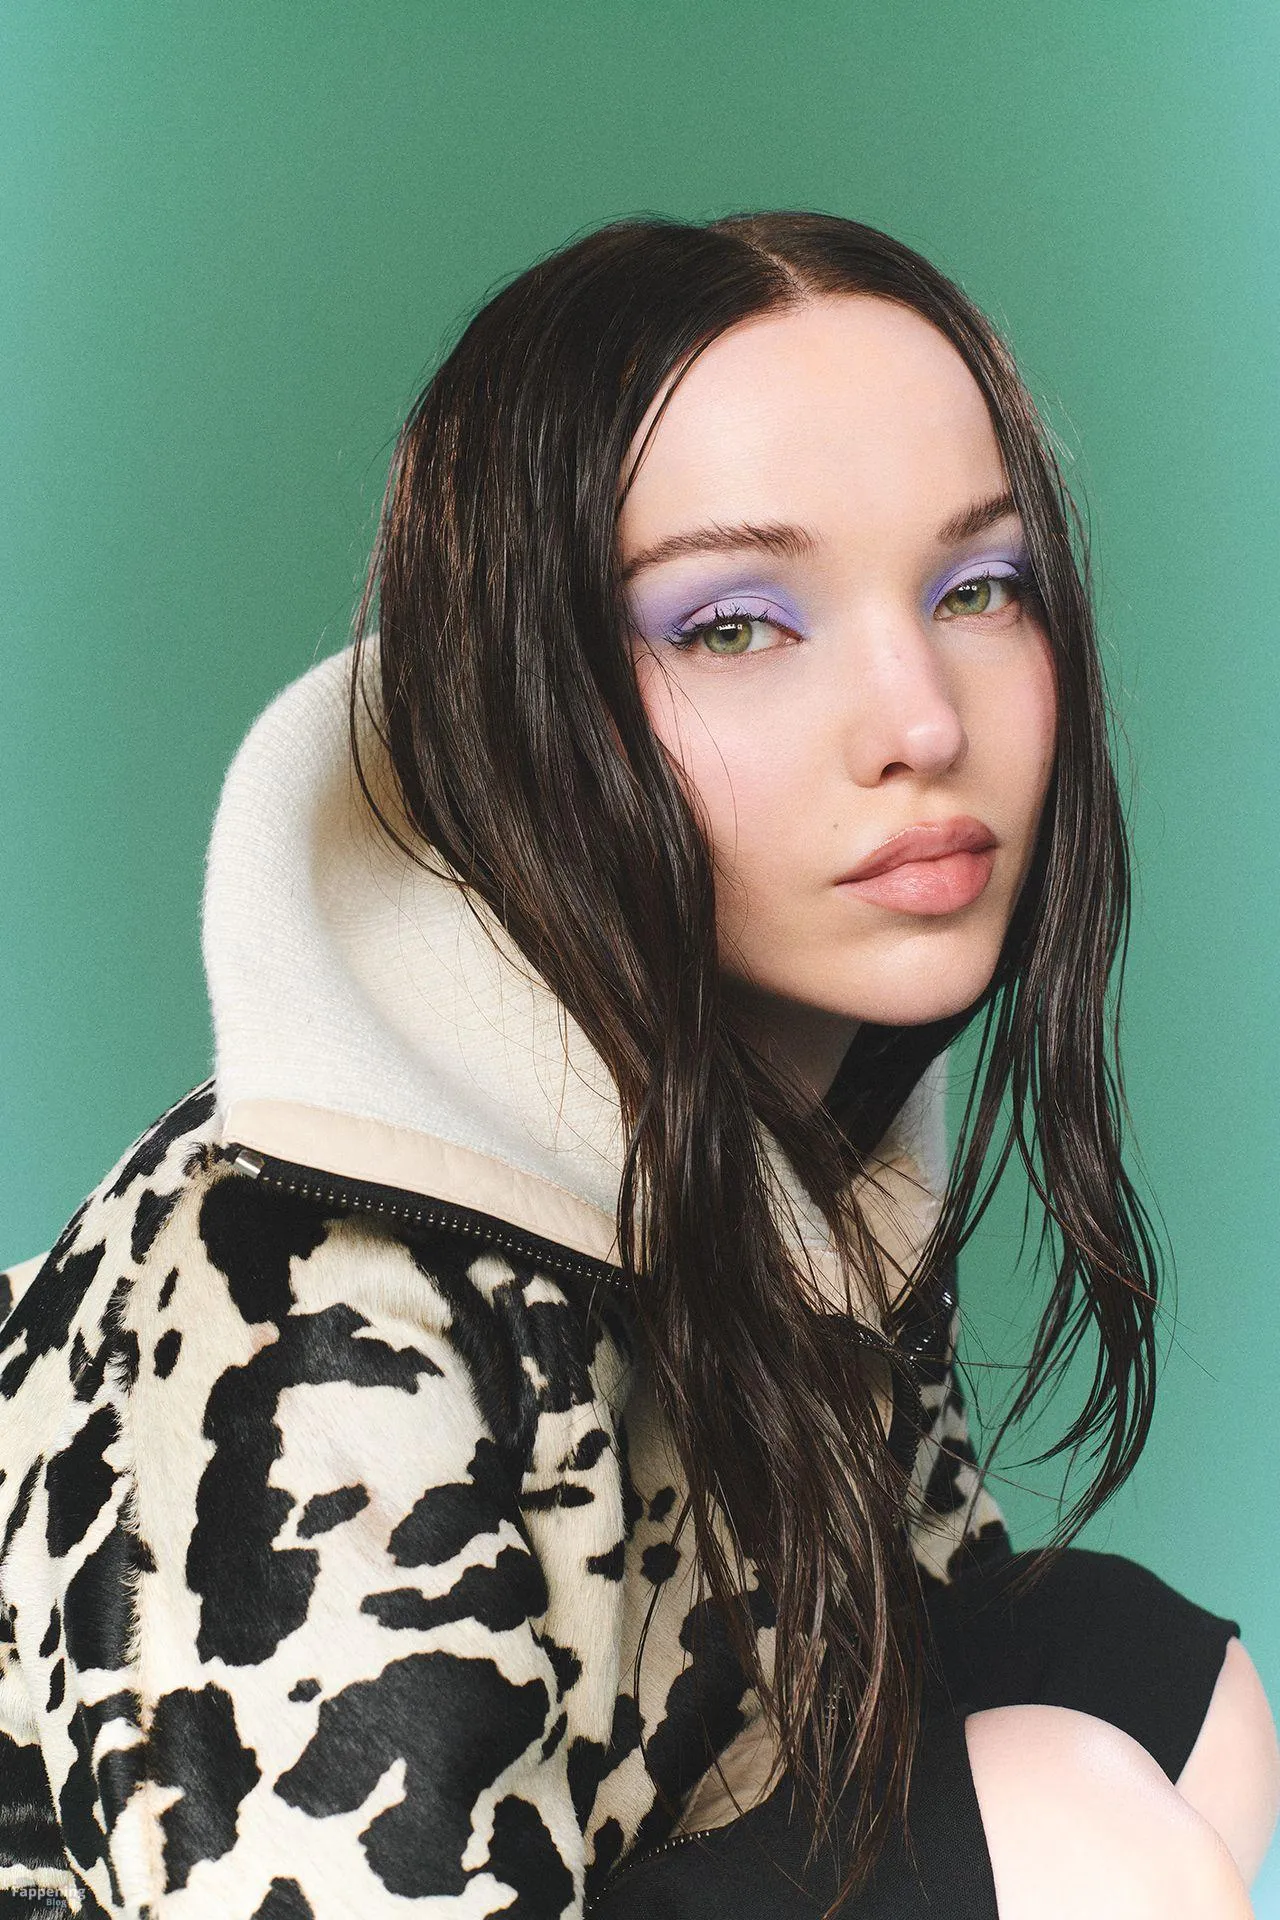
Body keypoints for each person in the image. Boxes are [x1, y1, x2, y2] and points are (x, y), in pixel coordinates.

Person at [0, 211, 1274, 1919]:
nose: (923, 721)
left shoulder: (786, 1108)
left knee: (1153, 1690)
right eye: (735, 625)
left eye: (978, 589)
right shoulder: (314, 1275)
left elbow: (883, 1672)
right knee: (1076, 1835)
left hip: (605, 1834)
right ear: (518, 691)